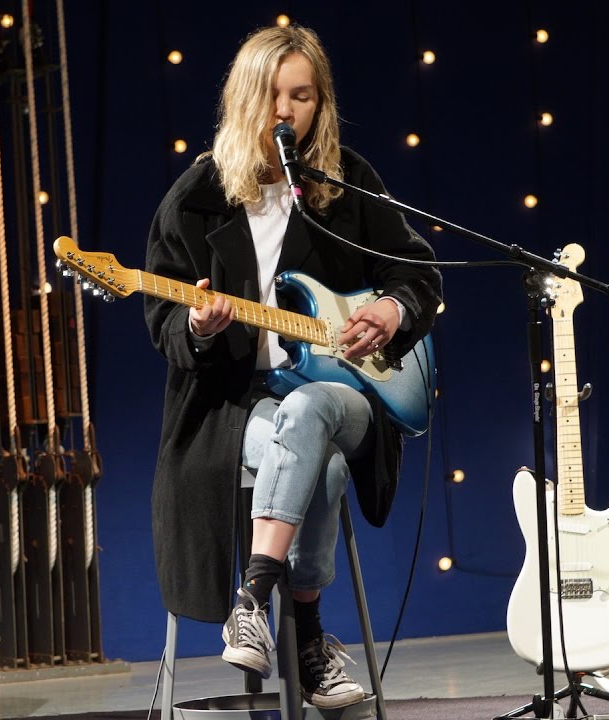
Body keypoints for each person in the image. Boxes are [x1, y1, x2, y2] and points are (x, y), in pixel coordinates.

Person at [144, 24, 442, 709]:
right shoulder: (196, 198)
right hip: (239, 406)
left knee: (317, 410)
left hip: (354, 396)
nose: (287, 111)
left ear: (320, 103)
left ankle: (251, 600)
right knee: (319, 456)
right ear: (247, 98)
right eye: (275, 95)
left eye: (302, 96)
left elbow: (419, 272)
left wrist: (394, 312)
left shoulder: (347, 185)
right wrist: (195, 324)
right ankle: (309, 638)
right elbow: (161, 320)